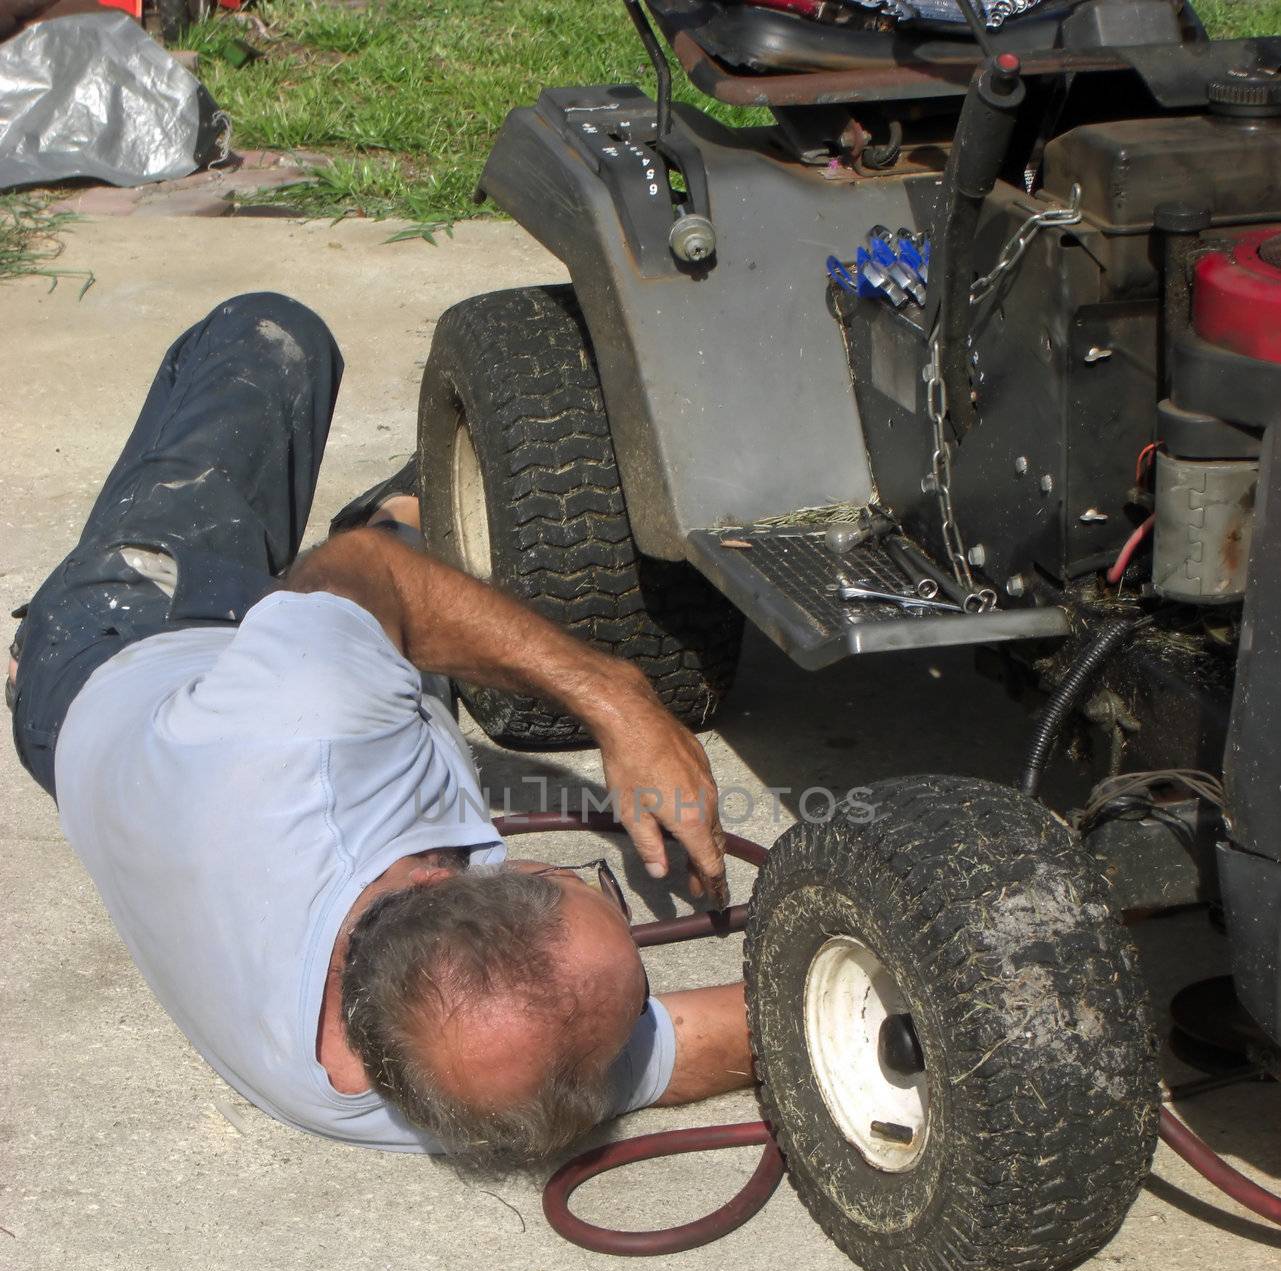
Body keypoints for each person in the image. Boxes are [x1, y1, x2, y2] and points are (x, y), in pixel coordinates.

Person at [8, 293, 753, 1172]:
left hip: (122, 642)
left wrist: (619, 700)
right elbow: (722, 1039)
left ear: (456, 877)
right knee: (404, 588)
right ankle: (401, 514)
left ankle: (392, 524)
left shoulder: (309, 728)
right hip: (181, 746)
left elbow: (362, 582)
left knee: (276, 333)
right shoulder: (427, 1077)